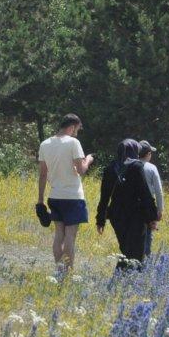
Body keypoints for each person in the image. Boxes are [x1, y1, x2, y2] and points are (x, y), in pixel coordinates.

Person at [38, 114, 95, 272]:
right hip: (72, 196)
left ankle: (59, 269)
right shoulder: (73, 143)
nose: (77, 132)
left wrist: (40, 200)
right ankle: (68, 271)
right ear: (72, 126)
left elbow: (43, 174)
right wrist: (88, 160)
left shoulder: (45, 144)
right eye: (77, 129)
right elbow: (80, 170)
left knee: (59, 235)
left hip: (54, 195)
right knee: (70, 235)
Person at [96, 139, 159, 270]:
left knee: (126, 249)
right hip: (136, 215)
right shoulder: (136, 166)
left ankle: (123, 281)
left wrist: (100, 219)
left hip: (117, 216)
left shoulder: (110, 169)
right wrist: (152, 217)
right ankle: (126, 280)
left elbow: (104, 197)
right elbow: (144, 193)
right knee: (135, 253)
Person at [138, 140, 164, 257]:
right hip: (148, 207)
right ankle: (144, 264)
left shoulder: (129, 165)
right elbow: (158, 191)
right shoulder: (152, 168)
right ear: (148, 154)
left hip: (131, 206)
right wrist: (160, 209)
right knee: (147, 237)